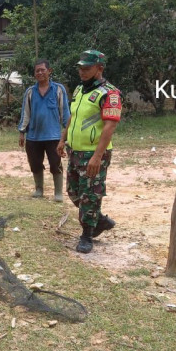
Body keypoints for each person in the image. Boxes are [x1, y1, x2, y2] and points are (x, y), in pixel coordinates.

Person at [57, 50, 122, 253]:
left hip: (94, 154)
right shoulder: (79, 90)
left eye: (87, 68)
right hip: (75, 151)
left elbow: (110, 126)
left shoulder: (110, 93)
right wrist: (62, 139)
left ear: (99, 68)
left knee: (90, 196)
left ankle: (87, 236)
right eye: (80, 68)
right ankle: (99, 220)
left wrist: (97, 156)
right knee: (74, 192)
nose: (82, 72)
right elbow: (72, 117)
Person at [18, 59, 70, 201]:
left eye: (42, 70)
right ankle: (39, 189)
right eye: (37, 71)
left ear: (49, 71)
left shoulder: (58, 90)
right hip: (33, 136)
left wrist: (67, 133)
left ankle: (58, 192)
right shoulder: (30, 92)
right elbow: (26, 113)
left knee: (55, 163)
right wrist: (22, 132)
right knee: (35, 163)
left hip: (53, 136)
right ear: (34, 74)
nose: (40, 72)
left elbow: (65, 112)